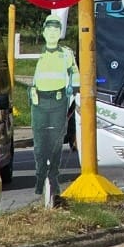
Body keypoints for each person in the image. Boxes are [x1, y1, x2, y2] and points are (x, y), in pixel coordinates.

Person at [31, 15, 80, 205]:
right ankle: (40, 176)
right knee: (40, 142)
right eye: (49, 30)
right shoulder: (39, 55)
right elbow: (34, 78)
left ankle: (53, 181)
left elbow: (75, 74)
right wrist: (33, 92)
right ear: (43, 33)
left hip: (59, 101)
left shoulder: (66, 54)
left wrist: (74, 91)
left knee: (56, 143)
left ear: (59, 34)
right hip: (39, 102)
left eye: (55, 31)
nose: (52, 34)